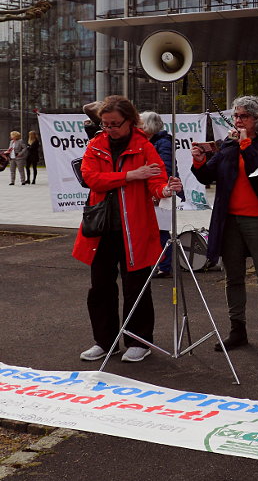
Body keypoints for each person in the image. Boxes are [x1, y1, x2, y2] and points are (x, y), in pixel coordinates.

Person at [72, 95, 183, 363]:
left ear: (130, 121)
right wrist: (131, 175)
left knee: (137, 285)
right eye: (105, 124)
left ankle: (139, 341)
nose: (108, 129)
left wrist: (165, 189)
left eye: (114, 124)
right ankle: (104, 341)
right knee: (100, 286)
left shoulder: (144, 146)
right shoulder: (96, 144)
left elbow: (155, 180)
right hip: (101, 228)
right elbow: (91, 179)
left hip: (135, 228)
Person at [190, 95, 258, 356]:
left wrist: (245, 143)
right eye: (235, 116)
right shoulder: (228, 146)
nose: (237, 120)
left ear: (257, 119)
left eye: (243, 116)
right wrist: (199, 160)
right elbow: (207, 175)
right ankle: (237, 330)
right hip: (229, 219)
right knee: (233, 277)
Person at [139, 111, 175, 278]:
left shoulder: (162, 143)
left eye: (141, 124)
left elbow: (165, 168)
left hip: (161, 193)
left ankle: (164, 265)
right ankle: (160, 264)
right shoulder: (155, 142)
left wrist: (159, 192)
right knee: (155, 229)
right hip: (157, 190)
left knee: (160, 230)